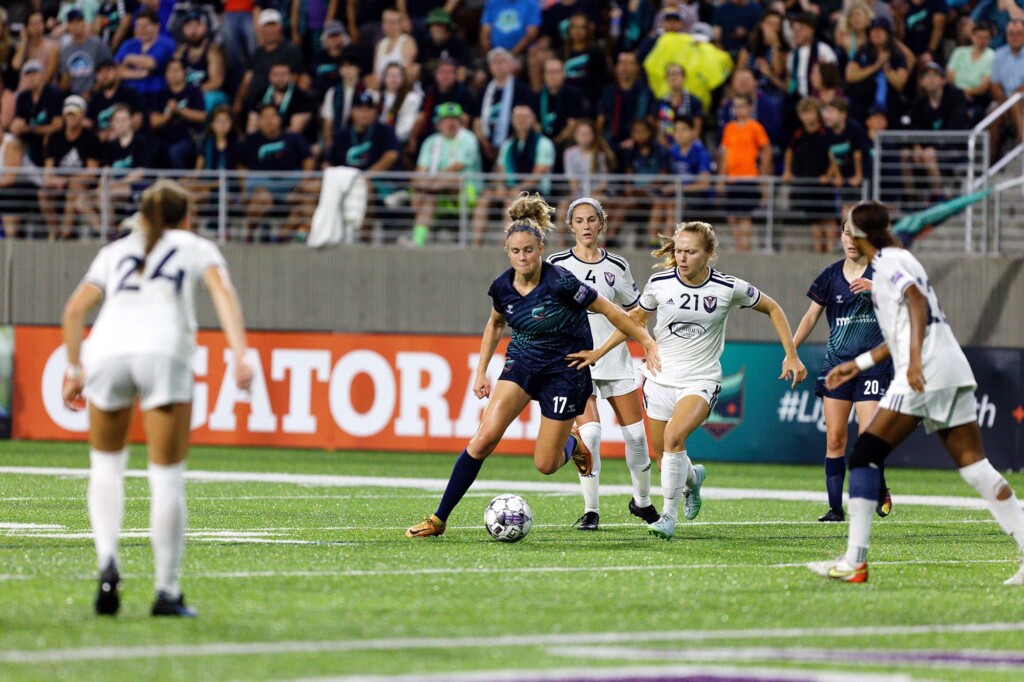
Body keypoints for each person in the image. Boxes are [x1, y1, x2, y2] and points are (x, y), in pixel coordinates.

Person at [404, 193, 661, 538]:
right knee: (482, 440)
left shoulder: (562, 282)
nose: (522, 257)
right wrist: (481, 371)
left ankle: (573, 446)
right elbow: (496, 324)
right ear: (507, 252)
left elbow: (613, 312)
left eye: (528, 250)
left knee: (545, 464)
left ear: (540, 250)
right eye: (515, 251)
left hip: (564, 373)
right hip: (522, 365)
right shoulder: (502, 286)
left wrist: (646, 342)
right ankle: (438, 519)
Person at [61, 178, 253, 617]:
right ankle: (166, 591)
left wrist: (74, 370)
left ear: (143, 217)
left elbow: (73, 310)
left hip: (105, 352)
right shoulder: (194, 246)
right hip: (164, 351)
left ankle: (107, 561)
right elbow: (223, 292)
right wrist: (241, 355)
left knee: (106, 467)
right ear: (185, 218)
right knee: (165, 478)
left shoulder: (114, 252)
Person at [807, 200, 1024, 585]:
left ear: (859, 234)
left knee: (864, 455)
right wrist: (857, 365)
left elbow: (916, 303)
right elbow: (902, 326)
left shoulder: (887, 264)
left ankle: (854, 561)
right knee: (976, 467)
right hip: (952, 366)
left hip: (925, 370)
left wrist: (915, 364)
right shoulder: (905, 258)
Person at [576, 220, 807, 540]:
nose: (682, 258)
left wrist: (791, 354)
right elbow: (634, 321)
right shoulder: (659, 283)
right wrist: (600, 351)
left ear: (709, 253)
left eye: (691, 252)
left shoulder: (727, 288)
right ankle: (694, 479)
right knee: (665, 458)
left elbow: (773, 308)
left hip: (700, 381)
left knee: (674, 437)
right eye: (679, 251)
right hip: (659, 380)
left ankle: (668, 516)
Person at [546, 198, 660, 531]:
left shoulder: (618, 266)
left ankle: (642, 503)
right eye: (579, 220)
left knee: (637, 437)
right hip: (576, 360)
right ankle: (591, 510)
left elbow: (636, 314)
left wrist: (649, 346)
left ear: (601, 224)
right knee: (591, 434)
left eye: (591, 219)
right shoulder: (556, 264)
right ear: (570, 226)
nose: (585, 225)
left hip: (614, 358)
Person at [793, 221, 894, 523]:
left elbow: (909, 301)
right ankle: (835, 509)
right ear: (841, 236)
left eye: (858, 235)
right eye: (847, 233)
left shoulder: (884, 272)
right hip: (836, 367)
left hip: (872, 367)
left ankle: (880, 488)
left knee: (868, 438)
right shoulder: (830, 275)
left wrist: (878, 290)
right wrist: (791, 350)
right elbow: (811, 316)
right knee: (835, 438)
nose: (851, 240)